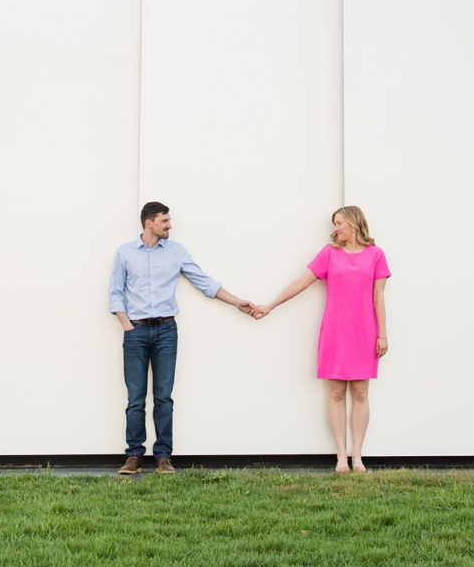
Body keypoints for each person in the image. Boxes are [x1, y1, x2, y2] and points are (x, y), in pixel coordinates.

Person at [109, 200, 254, 475]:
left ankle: (163, 457)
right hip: (136, 331)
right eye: (165, 221)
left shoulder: (176, 252)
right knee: (135, 397)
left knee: (164, 396)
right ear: (149, 222)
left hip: (166, 331)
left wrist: (236, 302)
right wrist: (126, 325)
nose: (169, 225)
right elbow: (115, 293)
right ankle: (134, 456)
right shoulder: (125, 252)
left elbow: (204, 282)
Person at [252, 206, 390, 473]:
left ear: (353, 223)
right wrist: (270, 305)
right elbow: (301, 283)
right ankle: (341, 455)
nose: (335, 228)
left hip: (364, 331)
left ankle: (358, 456)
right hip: (335, 331)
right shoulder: (329, 254)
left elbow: (378, 298)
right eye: (334, 223)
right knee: (336, 392)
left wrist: (383, 334)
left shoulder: (376, 255)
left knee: (361, 392)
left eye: (339, 223)